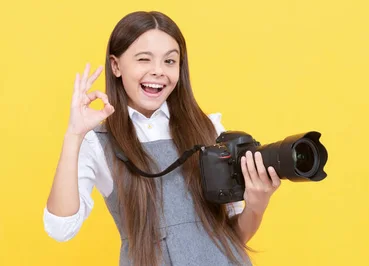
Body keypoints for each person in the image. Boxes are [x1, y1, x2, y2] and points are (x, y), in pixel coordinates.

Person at [43, 10, 281, 266]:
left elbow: (232, 238)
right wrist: (74, 134)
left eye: (169, 61)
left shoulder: (209, 129)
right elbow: (60, 228)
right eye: (144, 59)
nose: (158, 71)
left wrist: (257, 205)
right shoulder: (97, 143)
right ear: (116, 65)